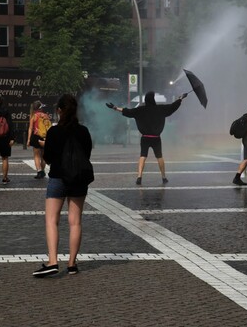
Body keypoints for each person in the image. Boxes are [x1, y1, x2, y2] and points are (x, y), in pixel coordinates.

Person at [32, 94, 92, 277]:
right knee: (75, 222)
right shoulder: (83, 131)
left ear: (59, 110)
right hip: (79, 180)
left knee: (51, 220)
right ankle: (72, 264)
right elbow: (86, 155)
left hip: (58, 177)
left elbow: (47, 157)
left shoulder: (54, 132)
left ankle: (52, 262)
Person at [106, 91, 186, 185]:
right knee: (159, 157)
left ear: (145, 100)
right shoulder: (161, 109)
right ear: (153, 99)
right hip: (156, 138)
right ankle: (163, 177)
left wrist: (114, 108)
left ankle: (139, 177)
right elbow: (173, 106)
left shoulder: (140, 110)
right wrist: (180, 98)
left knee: (142, 156)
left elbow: (127, 111)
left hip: (145, 138)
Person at [27, 100, 50, 179]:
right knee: (43, 155)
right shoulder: (46, 116)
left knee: (36, 155)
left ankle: (39, 171)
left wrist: (28, 139)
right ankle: (43, 170)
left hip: (36, 136)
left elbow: (30, 128)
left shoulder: (33, 116)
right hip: (45, 137)